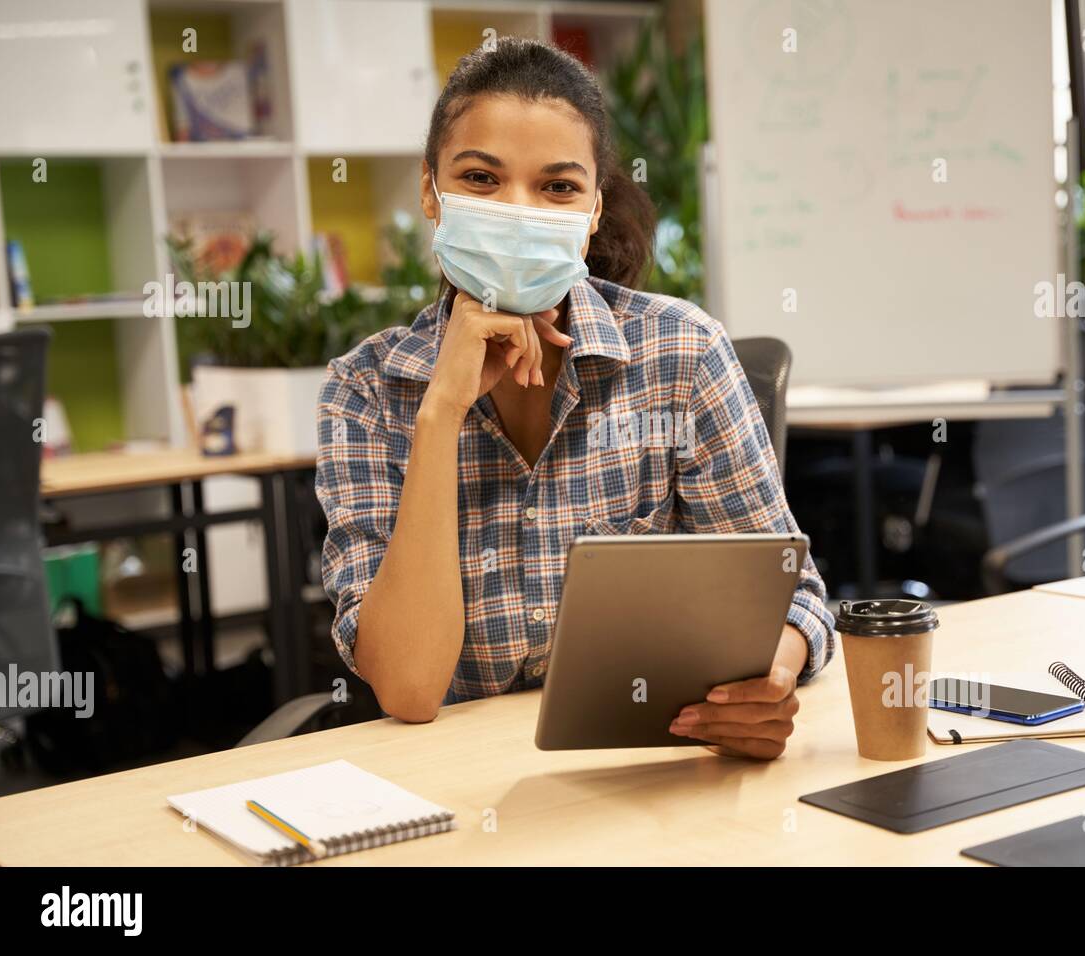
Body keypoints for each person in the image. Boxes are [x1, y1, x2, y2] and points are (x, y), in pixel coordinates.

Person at [316, 37, 834, 759]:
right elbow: (408, 687)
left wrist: (766, 684)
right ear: (431, 192)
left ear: (593, 210)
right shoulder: (365, 390)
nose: (519, 211)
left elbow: (796, 597)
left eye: (557, 187)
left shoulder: (681, 353)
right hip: (455, 784)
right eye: (481, 179)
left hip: (650, 766)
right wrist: (440, 412)